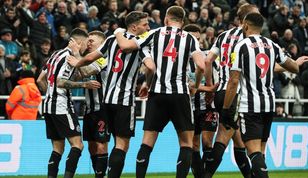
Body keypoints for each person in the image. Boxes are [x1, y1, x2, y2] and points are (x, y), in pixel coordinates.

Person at [113, 6, 205, 178]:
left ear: (166, 19)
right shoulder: (190, 38)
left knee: (147, 143)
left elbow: (125, 46)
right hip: (180, 94)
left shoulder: (154, 33)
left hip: (157, 95)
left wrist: (118, 31)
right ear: (183, 22)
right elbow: (201, 65)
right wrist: (196, 85)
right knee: (186, 144)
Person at [67, 11, 154, 178]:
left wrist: (77, 61)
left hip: (106, 101)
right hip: (124, 100)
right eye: (145, 25)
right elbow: (150, 67)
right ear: (134, 27)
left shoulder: (112, 40)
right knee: (121, 145)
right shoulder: (140, 43)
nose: (148, 28)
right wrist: (147, 84)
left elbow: (90, 57)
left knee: (109, 144)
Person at [222, 12, 308, 178]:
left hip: (250, 106)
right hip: (269, 105)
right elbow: (294, 68)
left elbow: (233, 81)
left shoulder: (240, 46)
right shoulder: (272, 45)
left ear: (245, 25)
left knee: (253, 152)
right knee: (260, 153)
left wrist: (226, 109)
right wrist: (296, 63)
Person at [36, 28, 101, 178]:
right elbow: (60, 81)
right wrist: (84, 85)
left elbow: (40, 79)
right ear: (78, 43)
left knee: (57, 149)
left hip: (48, 105)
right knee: (77, 145)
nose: (86, 48)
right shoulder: (68, 56)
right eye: (85, 44)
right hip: (61, 106)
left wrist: (51, 95)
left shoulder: (55, 54)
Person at [203, 4, 259, 178]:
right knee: (223, 136)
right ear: (246, 19)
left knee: (239, 141)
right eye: (256, 15)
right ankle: (205, 175)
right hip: (235, 94)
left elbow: (207, 61)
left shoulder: (223, 36)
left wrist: (210, 87)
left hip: (220, 91)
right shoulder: (250, 39)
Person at [183, 24, 218, 178]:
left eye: (198, 39)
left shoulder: (209, 57)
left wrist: (209, 90)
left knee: (208, 142)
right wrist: (207, 88)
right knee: (194, 145)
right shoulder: (180, 60)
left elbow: (216, 82)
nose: (196, 42)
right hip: (190, 108)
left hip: (209, 106)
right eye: (193, 39)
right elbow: (187, 87)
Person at [82, 31, 109, 178]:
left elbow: (86, 71)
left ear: (102, 43)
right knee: (91, 146)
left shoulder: (103, 59)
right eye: (88, 41)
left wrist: (75, 55)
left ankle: (101, 176)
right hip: (89, 109)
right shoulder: (87, 59)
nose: (89, 43)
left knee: (101, 144)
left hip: (102, 109)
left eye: (92, 40)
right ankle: (100, 174)